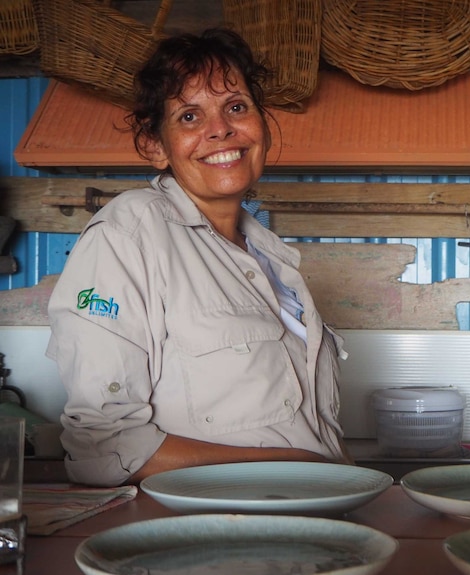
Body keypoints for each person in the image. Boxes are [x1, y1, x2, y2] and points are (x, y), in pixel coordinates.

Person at [46, 28, 351, 487]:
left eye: (235, 107)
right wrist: (298, 469)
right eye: (189, 116)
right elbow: (105, 446)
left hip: (303, 530)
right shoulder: (129, 233)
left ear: (261, 124)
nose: (220, 128)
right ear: (155, 146)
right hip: (212, 543)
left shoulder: (269, 256)